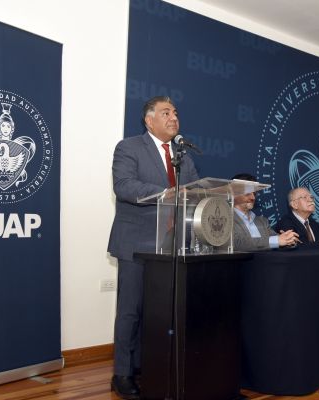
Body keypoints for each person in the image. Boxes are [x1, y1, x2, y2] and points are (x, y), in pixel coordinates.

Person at [107, 96, 199, 399]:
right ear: (149, 120)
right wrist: (165, 193)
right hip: (136, 242)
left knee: (159, 313)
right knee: (130, 311)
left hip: (170, 244)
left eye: (176, 113)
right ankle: (122, 374)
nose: (174, 118)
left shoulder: (183, 156)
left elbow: (195, 191)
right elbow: (123, 185)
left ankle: (151, 366)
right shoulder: (129, 147)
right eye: (166, 113)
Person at [232, 173, 299, 251]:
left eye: (254, 193)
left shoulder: (262, 221)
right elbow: (236, 243)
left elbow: (277, 240)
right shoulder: (225, 219)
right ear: (234, 194)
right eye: (248, 194)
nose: (253, 198)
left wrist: (288, 240)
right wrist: (276, 240)